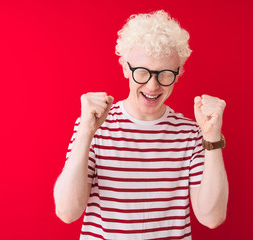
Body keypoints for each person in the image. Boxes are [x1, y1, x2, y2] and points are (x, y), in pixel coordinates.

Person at [54, 10, 228, 240]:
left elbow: (212, 218)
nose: (153, 86)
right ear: (126, 68)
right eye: (142, 72)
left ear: (178, 74)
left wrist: (213, 137)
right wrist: (86, 132)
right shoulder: (94, 125)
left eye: (165, 74)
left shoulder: (192, 134)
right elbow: (67, 212)